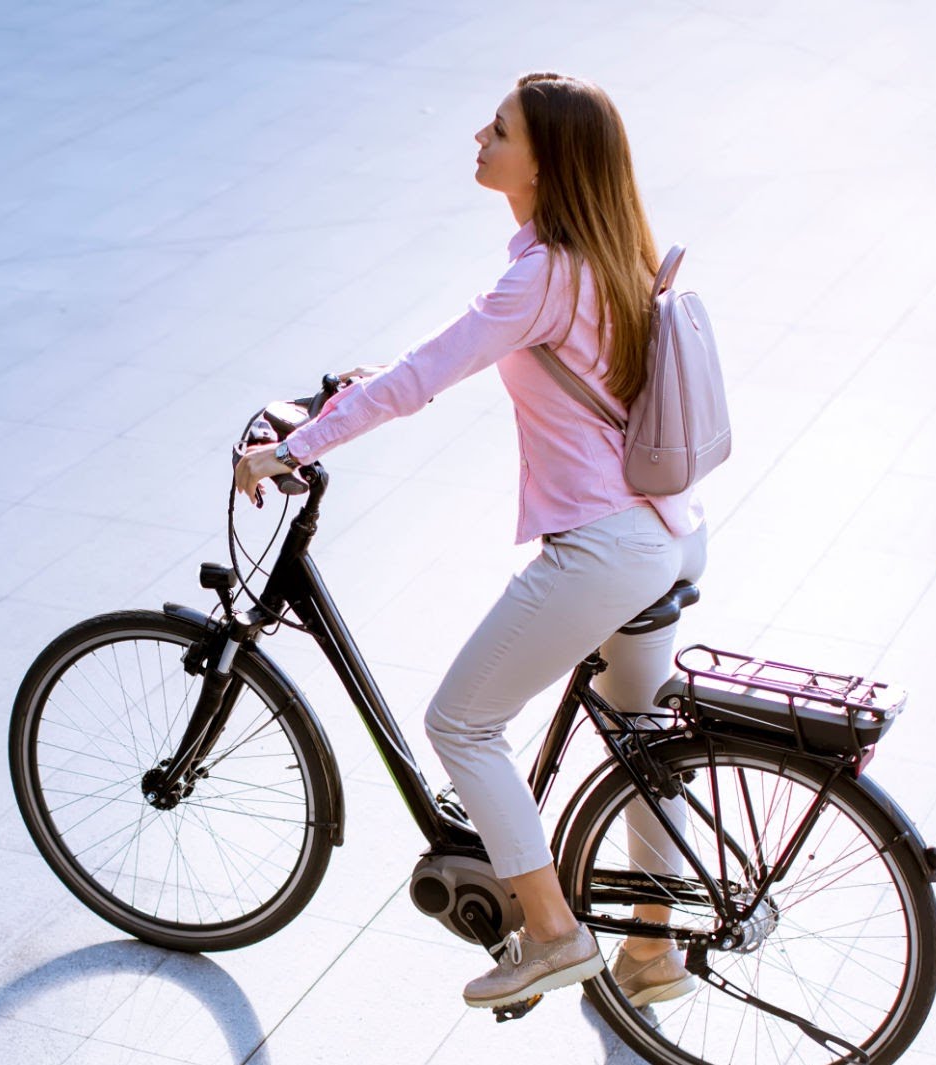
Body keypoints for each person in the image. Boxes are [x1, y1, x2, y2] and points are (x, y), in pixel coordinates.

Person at [232, 72, 707, 1010]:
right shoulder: (607, 252)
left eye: (499, 130)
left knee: (460, 723)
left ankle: (555, 934)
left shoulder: (540, 273)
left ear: (547, 161)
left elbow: (423, 378)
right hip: (672, 531)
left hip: (607, 547)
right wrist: (372, 384)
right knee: (644, 738)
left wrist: (294, 445)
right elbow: (467, 357)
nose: (478, 138)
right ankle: (651, 955)